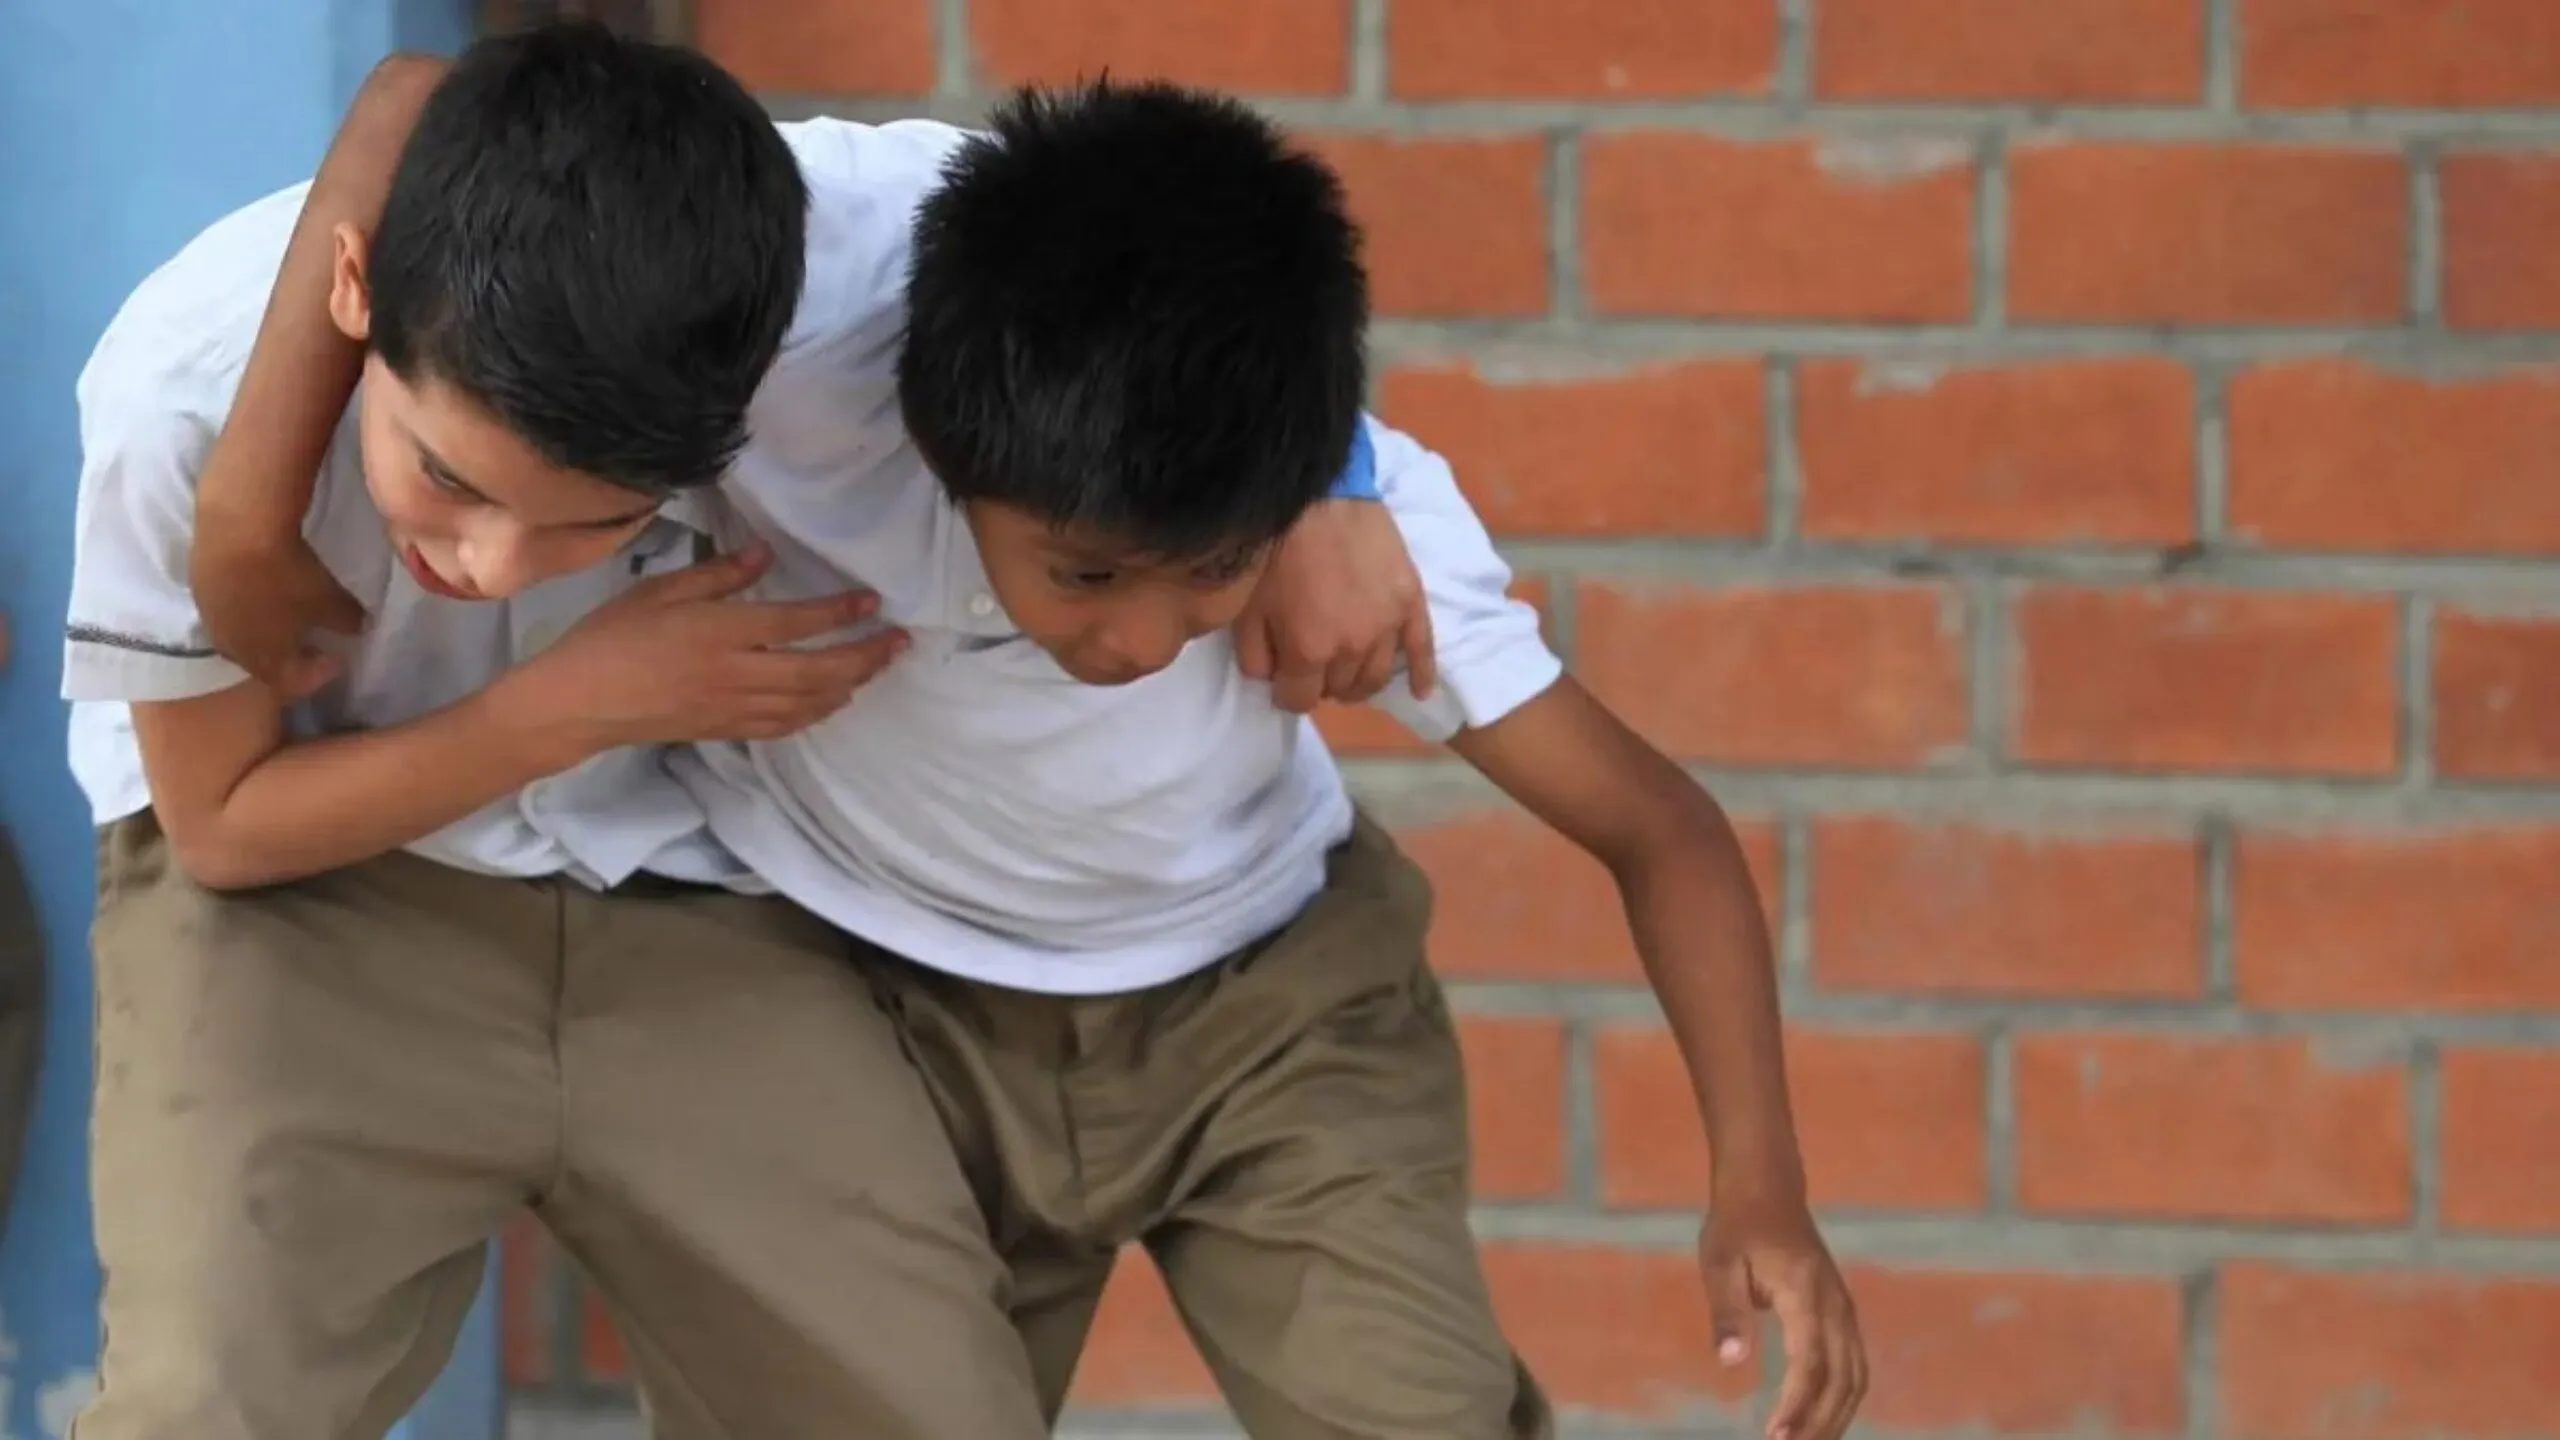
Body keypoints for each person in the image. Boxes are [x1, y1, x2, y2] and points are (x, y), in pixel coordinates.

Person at [194, 71, 1870, 1440]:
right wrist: (242, 514)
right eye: (1078, 573)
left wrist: (1762, 1189)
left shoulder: (1341, 527)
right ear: (927, 437)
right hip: (888, 1018)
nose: (1139, 641)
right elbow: (424, 110)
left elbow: (1659, 829)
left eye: (1206, 573)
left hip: (1271, 1014)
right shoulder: (789, 313)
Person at [66, 26, 1420, 1440]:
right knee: (204, 1405)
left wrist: (1334, 477)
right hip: (306, 897)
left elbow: (1191, 264)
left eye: (592, 520)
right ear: (354, 288)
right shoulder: (188, 392)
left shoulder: (812, 262)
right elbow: (223, 829)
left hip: (687, 888)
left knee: (936, 1407)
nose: (495, 561)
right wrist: (556, 693)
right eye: (446, 478)